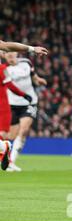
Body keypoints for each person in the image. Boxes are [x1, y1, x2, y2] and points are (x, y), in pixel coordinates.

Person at [0, 41, 47, 171]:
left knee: (24, 130)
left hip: (29, 102)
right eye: (6, 53)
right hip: (11, 104)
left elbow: (33, 76)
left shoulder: (26, 63)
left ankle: (11, 162)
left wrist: (38, 80)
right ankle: (5, 151)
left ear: (16, 53)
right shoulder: (4, 68)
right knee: (10, 136)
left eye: (11, 52)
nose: (9, 55)